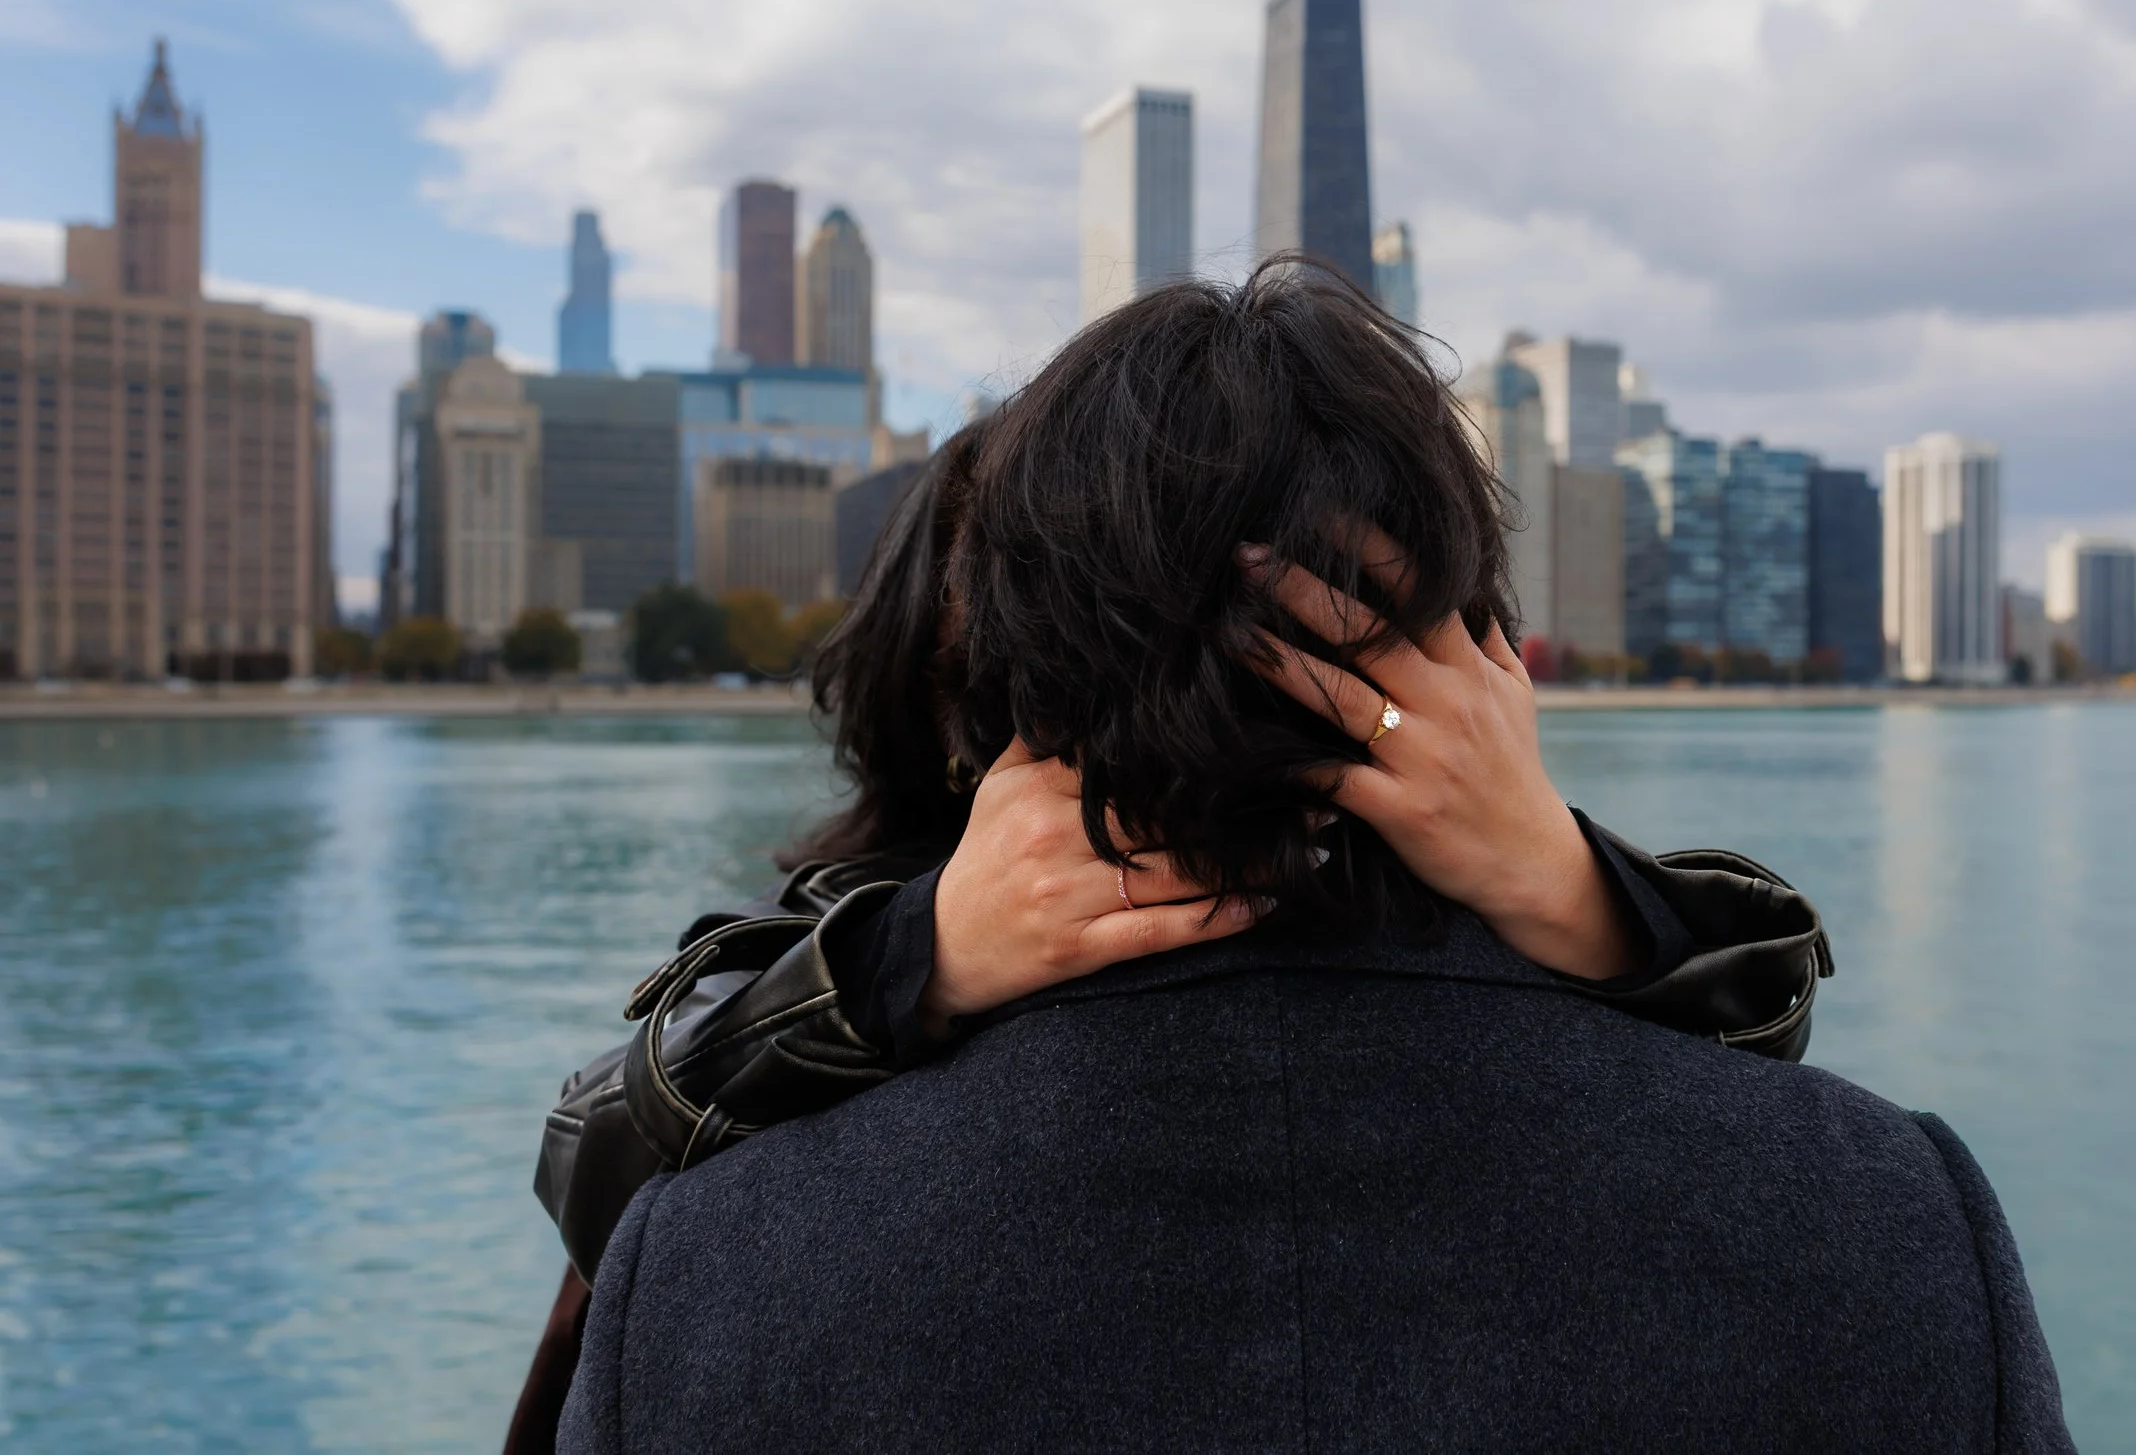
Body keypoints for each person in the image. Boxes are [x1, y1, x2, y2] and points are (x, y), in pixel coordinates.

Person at [562, 264, 2013, 1452]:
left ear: (1014, 697)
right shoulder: (1892, 1220)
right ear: (1485, 669)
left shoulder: (702, 1276)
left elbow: (612, 1141)